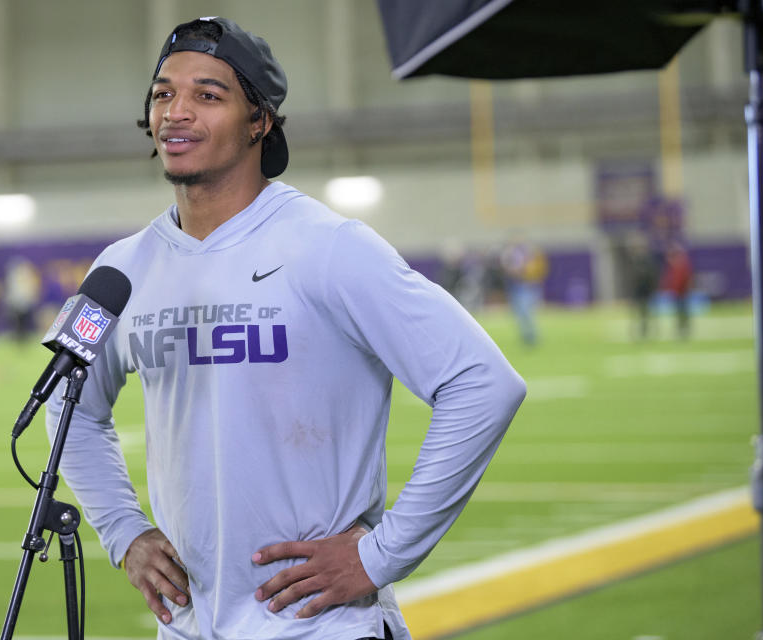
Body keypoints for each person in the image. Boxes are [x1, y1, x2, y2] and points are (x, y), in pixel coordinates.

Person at [47, 17, 525, 640]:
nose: (176, 112)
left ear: (260, 121)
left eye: (208, 95)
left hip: (321, 628)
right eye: (163, 93)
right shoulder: (122, 267)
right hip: (189, 628)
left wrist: (381, 556)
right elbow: (63, 398)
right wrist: (122, 529)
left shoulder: (329, 247)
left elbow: (483, 383)